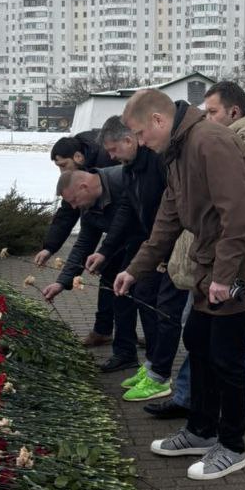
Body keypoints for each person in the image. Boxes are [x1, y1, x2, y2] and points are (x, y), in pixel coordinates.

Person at [114, 88, 245, 482]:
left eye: (140, 134)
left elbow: (240, 218)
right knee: (198, 340)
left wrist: (223, 277)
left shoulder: (210, 142)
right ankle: (201, 430)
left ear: (158, 120)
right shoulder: (178, 149)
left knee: (226, 354)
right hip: (214, 264)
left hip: (241, 267)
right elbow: (168, 219)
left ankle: (232, 447)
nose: (140, 143)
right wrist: (135, 269)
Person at [147, 80, 245, 431]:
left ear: (233, 112)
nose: (204, 118)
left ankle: (244, 411)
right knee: (202, 338)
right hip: (212, 261)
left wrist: (226, 270)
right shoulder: (204, 145)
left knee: (229, 344)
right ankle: (196, 405)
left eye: (212, 112)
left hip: (233, 266)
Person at [88, 116, 188, 399]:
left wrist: (163, 251)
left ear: (129, 140)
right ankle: (153, 364)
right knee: (143, 295)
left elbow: (172, 209)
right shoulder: (130, 168)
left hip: (172, 245)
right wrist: (105, 250)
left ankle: (160, 375)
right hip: (152, 245)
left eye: (113, 149)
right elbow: (127, 209)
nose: (110, 157)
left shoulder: (157, 162)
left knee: (164, 309)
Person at [40, 167, 140, 365]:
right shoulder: (88, 206)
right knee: (119, 296)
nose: (74, 207)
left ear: (84, 187)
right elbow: (84, 243)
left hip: (148, 245)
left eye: (74, 200)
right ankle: (125, 354)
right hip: (119, 249)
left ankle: (155, 365)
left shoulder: (123, 179)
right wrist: (62, 282)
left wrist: (106, 252)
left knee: (144, 298)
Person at [32, 127, 116, 347]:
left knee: (124, 278)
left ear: (78, 157)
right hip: (112, 229)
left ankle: (139, 342)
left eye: (63, 165)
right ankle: (105, 331)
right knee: (110, 276)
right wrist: (50, 247)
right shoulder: (78, 177)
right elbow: (68, 212)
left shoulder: (108, 163)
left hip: (131, 229)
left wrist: (105, 250)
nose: (61, 172)